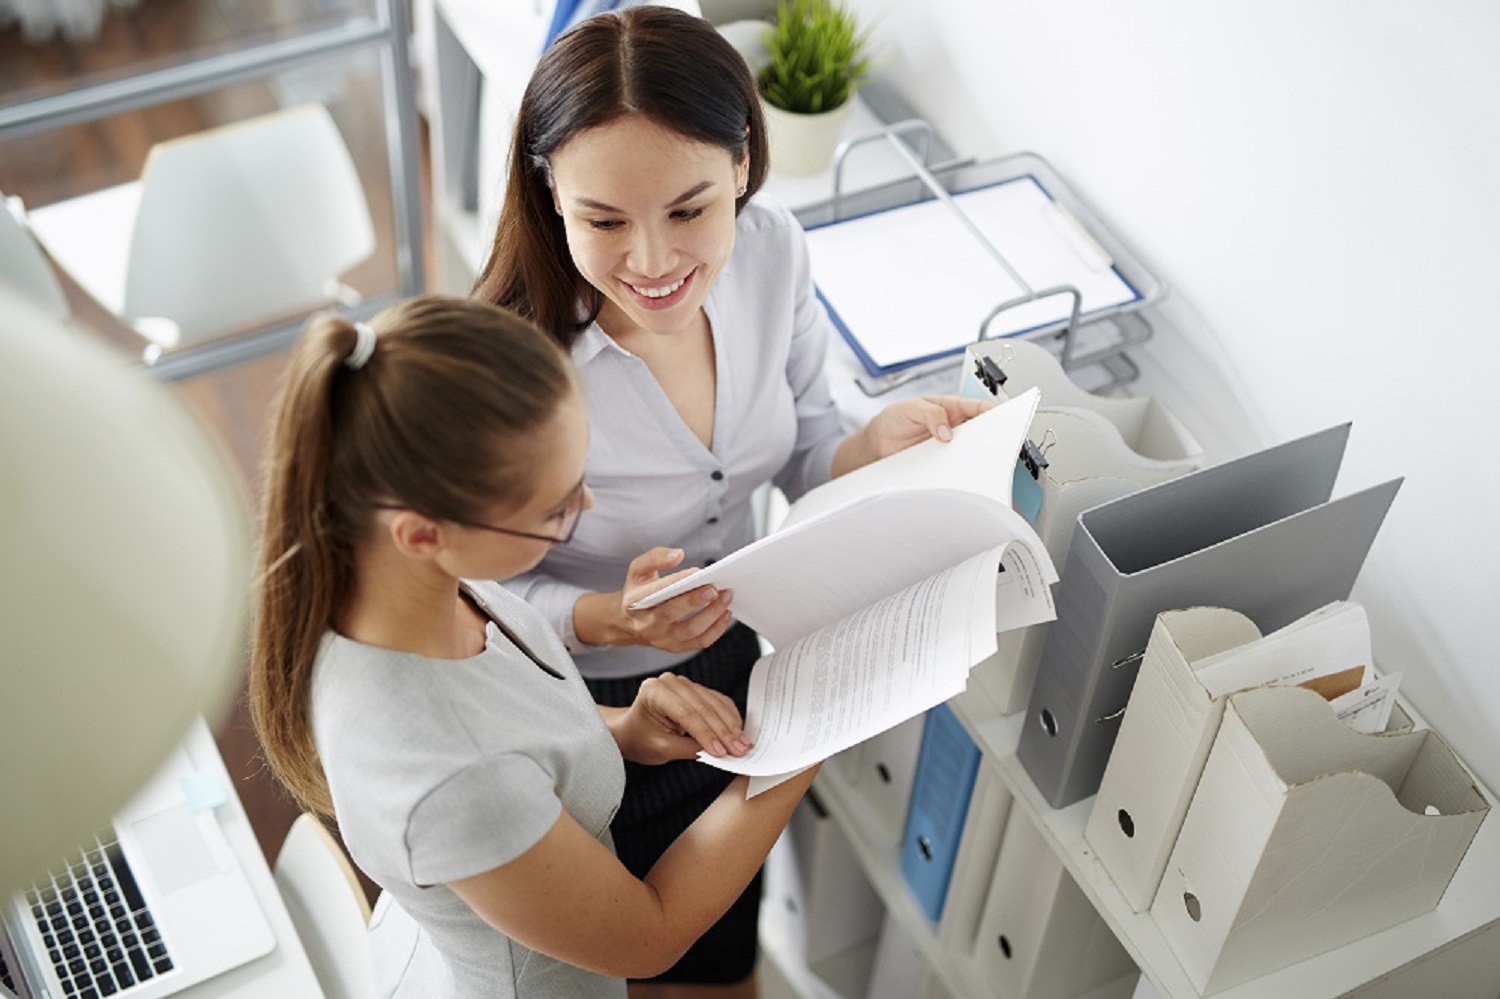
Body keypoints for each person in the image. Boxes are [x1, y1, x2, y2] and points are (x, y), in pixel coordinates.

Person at [471, 7, 989, 995]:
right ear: (552, 196)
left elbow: (800, 442)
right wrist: (598, 616)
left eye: (690, 209)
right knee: (619, 960)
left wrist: (866, 444)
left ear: (746, 163)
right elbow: (465, 608)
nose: (655, 262)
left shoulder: (774, 254)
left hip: (732, 660)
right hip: (579, 705)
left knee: (721, 958)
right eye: (605, 222)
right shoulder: (513, 364)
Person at [248, 294, 821, 998]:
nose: (583, 508)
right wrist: (802, 744)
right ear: (423, 532)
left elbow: (506, 731)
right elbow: (651, 933)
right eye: (553, 508)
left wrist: (623, 729)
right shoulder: (446, 776)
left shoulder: (403, 592)